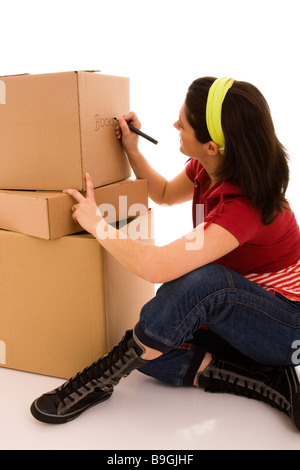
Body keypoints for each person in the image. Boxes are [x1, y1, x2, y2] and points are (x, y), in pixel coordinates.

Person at [30, 76, 300, 430]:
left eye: (183, 123)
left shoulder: (246, 205)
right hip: (239, 320)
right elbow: (164, 193)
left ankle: (102, 378)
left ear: (213, 146)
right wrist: (132, 149)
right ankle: (262, 378)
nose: (175, 124)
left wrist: (97, 224)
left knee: (200, 283)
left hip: (284, 328)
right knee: (155, 347)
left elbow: (157, 267)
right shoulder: (210, 167)